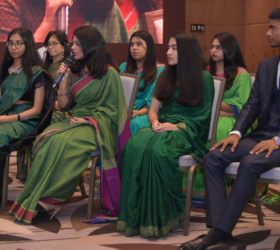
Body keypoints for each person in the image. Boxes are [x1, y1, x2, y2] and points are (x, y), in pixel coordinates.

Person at [179, 7, 280, 250]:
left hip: (277, 142)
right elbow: (251, 105)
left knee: (249, 163)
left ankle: (215, 235)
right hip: (260, 136)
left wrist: (277, 142)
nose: (268, 32)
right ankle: (222, 234)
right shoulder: (267, 66)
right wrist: (235, 133)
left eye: (273, 27)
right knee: (213, 157)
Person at [9, 25, 130, 224]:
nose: (72, 47)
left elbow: (114, 112)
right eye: (72, 43)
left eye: (76, 43)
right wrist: (64, 83)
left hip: (96, 127)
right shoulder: (75, 69)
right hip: (74, 120)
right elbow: (64, 106)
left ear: (90, 45)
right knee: (46, 137)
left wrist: (89, 121)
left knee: (66, 143)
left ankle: (53, 198)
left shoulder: (109, 74)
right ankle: (41, 192)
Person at [117, 31, 214, 238]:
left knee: (158, 151)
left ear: (187, 51)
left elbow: (203, 119)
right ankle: (138, 216)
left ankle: (163, 216)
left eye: (174, 48)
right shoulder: (166, 76)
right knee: (133, 146)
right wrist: (154, 122)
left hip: (187, 132)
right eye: (168, 47)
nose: (168, 52)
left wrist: (176, 127)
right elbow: (153, 109)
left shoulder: (204, 78)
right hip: (161, 126)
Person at [0, 27, 52, 199]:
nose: (13, 47)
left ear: (27, 45)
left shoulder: (37, 72)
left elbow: (37, 109)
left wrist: (9, 118)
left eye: (18, 43)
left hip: (26, 120)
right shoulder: (4, 70)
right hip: (4, 114)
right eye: (10, 43)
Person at [16, 30, 71, 181]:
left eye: (55, 43)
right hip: (41, 107)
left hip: (59, 110)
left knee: (41, 122)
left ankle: (44, 176)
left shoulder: (67, 68)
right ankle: (29, 174)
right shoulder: (44, 66)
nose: (51, 47)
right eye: (48, 44)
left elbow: (70, 94)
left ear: (64, 46)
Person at [0, 0, 128, 43]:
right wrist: (47, 25)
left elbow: (122, 70)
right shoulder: (10, 4)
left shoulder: (103, 8)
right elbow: (10, 74)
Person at [119, 30, 165, 135]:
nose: (134, 48)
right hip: (125, 110)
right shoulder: (124, 68)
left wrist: (139, 112)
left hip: (149, 112)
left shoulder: (160, 70)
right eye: (132, 44)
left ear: (149, 48)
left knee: (135, 123)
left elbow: (159, 101)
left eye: (139, 44)